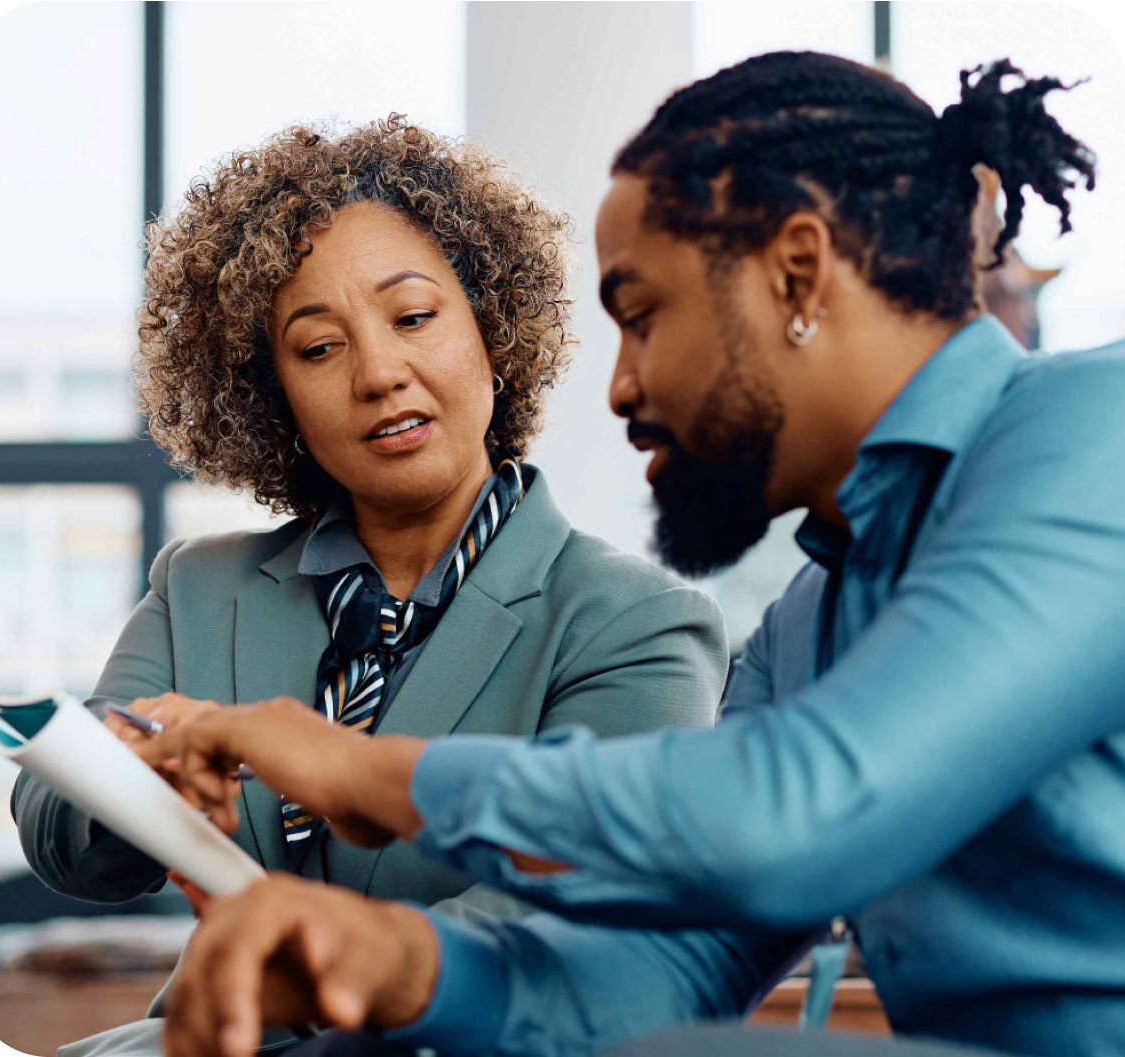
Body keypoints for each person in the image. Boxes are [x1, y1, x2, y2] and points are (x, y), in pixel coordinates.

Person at [142, 53, 1121, 1057]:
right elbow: (669, 971)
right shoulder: (809, 622)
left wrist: (373, 774)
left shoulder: (1098, 432)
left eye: (642, 316)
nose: (618, 388)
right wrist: (397, 959)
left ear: (797, 273)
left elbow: (812, 803)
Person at [9, 117, 728, 1056]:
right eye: (317, 349)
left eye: (415, 317)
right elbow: (57, 834)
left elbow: (583, 905)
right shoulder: (201, 585)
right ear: (272, 397)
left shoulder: (635, 622)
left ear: (494, 332)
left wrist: (330, 961)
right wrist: (134, 783)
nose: (380, 373)